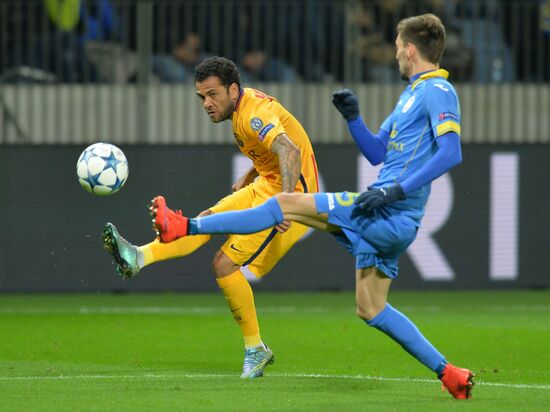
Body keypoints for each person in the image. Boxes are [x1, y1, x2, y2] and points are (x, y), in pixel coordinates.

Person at [145, 14, 474, 399]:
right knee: (371, 309)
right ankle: (449, 372)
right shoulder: (409, 96)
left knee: (285, 201)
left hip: (383, 209)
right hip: (386, 213)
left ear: (411, 49)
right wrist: (353, 119)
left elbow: (451, 153)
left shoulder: (439, 92)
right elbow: (376, 152)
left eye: (399, 47)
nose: (396, 54)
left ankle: (185, 227)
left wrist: (394, 192)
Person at [102, 56, 320, 379]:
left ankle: (255, 348)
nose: (206, 103)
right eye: (201, 97)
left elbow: (289, 151)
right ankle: (137, 257)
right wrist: (252, 173)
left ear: (233, 90)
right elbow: (274, 147)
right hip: (267, 186)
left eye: (212, 95)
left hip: (290, 199)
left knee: (223, 264)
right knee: (203, 219)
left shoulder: (254, 114)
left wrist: (286, 203)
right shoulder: (243, 112)